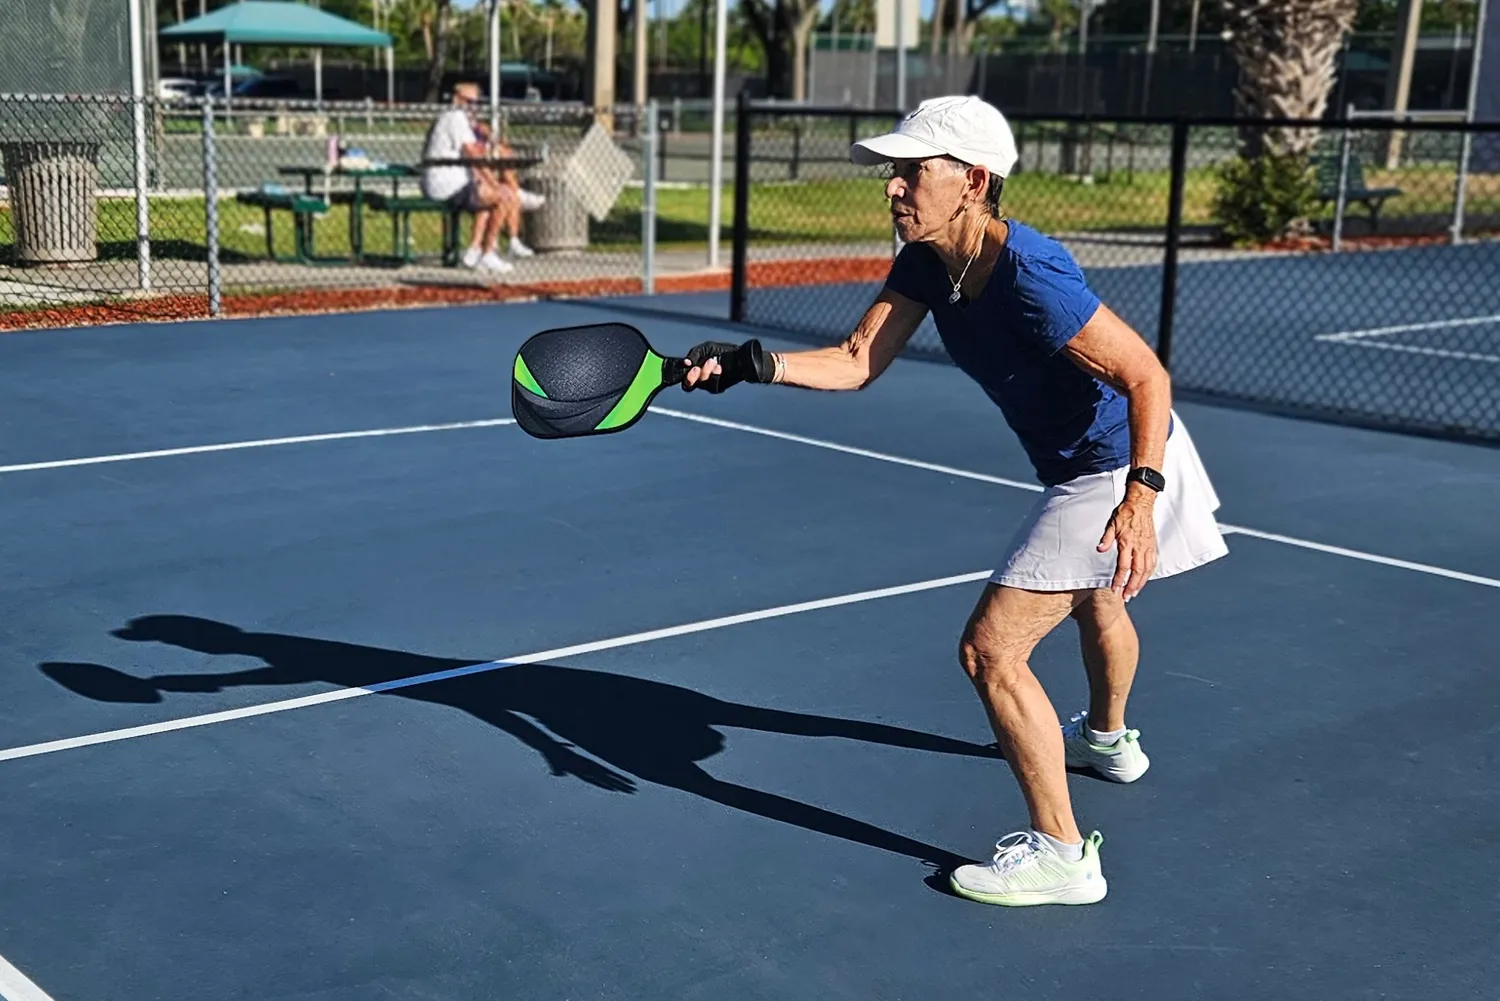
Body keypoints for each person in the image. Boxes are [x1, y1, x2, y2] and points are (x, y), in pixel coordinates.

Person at [677, 95, 1229, 907]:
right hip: (1081, 462)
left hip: (1122, 462)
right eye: (893, 173)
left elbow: (1146, 375)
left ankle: (1064, 855)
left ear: (973, 180)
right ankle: (1111, 741)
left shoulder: (1031, 274)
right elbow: (858, 359)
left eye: (911, 172)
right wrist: (754, 364)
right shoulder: (926, 263)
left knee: (991, 651)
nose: (893, 188)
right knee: (1093, 603)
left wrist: (1139, 498)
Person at [419, 83, 535, 271]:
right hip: (445, 183)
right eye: (469, 101)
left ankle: (476, 250)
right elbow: (473, 155)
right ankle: (487, 253)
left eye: (476, 102)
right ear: (457, 99)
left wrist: (492, 183)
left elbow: (477, 154)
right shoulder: (454, 117)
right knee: (502, 196)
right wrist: (494, 184)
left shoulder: (459, 119)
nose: (473, 106)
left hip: (455, 181)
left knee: (492, 198)